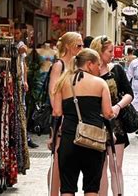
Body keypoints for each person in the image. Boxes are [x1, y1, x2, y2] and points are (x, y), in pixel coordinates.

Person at [52, 48, 114, 195]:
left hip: (69, 139)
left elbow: (57, 112)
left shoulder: (62, 83)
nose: (100, 68)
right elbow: (108, 113)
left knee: (67, 187)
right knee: (91, 188)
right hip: (93, 140)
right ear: (89, 64)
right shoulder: (100, 83)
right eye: (98, 65)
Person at [90, 36, 134, 196]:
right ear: (99, 51)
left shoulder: (116, 69)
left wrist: (118, 106)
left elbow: (129, 93)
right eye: (109, 51)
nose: (113, 54)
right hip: (95, 125)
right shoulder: (89, 72)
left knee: (116, 167)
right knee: (100, 168)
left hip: (116, 124)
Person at [47, 31, 84, 196]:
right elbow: (53, 92)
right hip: (61, 117)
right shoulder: (59, 65)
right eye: (79, 45)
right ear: (69, 46)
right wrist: (59, 116)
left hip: (73, 118)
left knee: (67, 160)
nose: (82, 48)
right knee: (57, 160)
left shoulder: (77, 65)